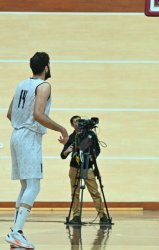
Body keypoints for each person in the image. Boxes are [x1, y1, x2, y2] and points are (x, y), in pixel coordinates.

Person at [5, 52, 69, 249]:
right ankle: (16, 232)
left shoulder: (21, 84)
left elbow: (9, 114)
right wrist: (62, 129)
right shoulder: (44, 86)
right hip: (28, 137)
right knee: (34, 186)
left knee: (26, 186)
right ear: (46, 67)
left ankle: (16, 230)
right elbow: (38, 115)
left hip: (16, 135)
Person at [61, 115, 108, 225]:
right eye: (76, 122)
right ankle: (76, 216)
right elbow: (62, 155)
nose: (78, 123)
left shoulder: (90, 135)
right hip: (74, 167)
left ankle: (102, 216)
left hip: (87, 167)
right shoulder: (71, 137)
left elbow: (97, 149)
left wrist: (93, 156)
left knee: (95, 192)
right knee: (75, 193)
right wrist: (67, 150)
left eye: (80, 121)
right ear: (72, 125)